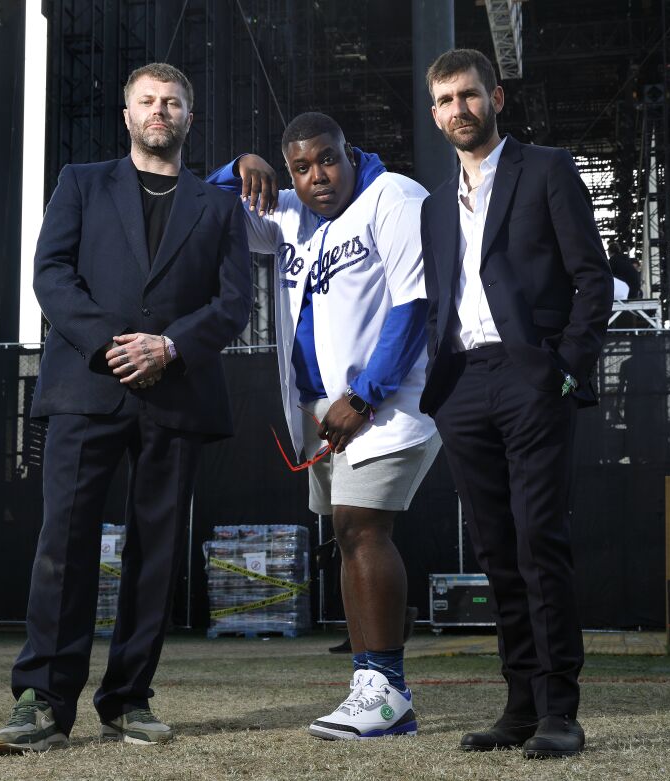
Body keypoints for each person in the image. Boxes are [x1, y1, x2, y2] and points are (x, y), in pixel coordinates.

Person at [0, 62, 252, 755]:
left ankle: (128, 698)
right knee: (63, 546)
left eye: (172, 102)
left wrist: (170, 346)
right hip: (86, 388)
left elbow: (234, 305)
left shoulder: (219, 207)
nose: (159, 110)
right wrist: (112, 346)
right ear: (127, 114)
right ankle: (43, 699)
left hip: (177, 391)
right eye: (147, 100)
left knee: (156, 555)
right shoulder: (80, 182)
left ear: (188, 119)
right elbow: (51, 273)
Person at [206, 111, 439, 740]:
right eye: (301, 168)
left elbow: (415, 302)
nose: (318, 177)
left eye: (328, 160)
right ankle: (370, 683)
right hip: (319, 415)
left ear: (350, 152)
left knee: (364, 529)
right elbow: (202, 209)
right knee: (346, 532)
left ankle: (387, 688)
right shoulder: (286, 212)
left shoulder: (393, 197)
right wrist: (237, 170)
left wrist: (363, 397)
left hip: (383, 405)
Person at [419, 49, 613, 758]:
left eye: (467, 95)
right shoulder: (437, 205)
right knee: (498, 551)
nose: (456, 109)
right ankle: (521, 704)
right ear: (434, 111)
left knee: (540, 543)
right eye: (443, 100)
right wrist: (439, 389)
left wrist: (564, 371)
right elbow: (441, 300)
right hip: (463, 385)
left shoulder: (547, 169)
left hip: (532, 376)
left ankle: (561, 708)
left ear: (494, 97)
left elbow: (593, 279)